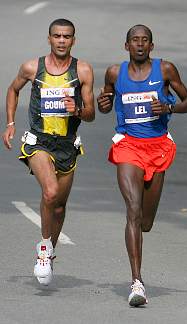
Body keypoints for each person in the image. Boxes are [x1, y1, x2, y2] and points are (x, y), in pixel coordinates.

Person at [97, 24, 187, 307]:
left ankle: (139, 246)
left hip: (158, 147)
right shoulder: (115, 73)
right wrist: (103, 103)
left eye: (145, 41)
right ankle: (137, 282)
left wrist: (169, 108)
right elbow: (105, 104)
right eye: (134, 41)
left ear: (151, 46)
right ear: (126, 46)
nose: (139, 45)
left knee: (146, 222)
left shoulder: (165, 70)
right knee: (133, 209)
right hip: (128, 146)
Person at [2, 18, 95, 285]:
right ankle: (44, 249)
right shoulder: (32, 67)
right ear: (49, 39)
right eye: (57, 36)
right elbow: (12, 89)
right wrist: (10, 123)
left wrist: (76, 109)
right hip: (39, 141)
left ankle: (50, 252)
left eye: (67, 36)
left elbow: (90, 114)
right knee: (50, 192)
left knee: (60, 206)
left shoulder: (84, 71)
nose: (62, 41)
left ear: (73, 40)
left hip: (68, 144)